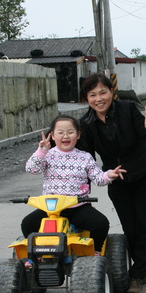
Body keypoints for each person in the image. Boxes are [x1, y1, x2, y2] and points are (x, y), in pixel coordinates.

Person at [78, 73, 146, 293]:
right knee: (130, 228)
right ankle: (142, 269)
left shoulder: (127, 109)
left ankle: (137, 275)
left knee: (145, 224)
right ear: (87, 98)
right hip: (117, 180)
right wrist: (82, 193)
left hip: (144, 173)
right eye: (93, 94)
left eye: (103, 92)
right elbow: (87, 161)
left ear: (111, 92)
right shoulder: (86, 124)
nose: (99, 98)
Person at [21, 114, 126, 268]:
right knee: (28, 223)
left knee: (101, 223)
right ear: (52, 135)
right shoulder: (48, 156)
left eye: (70, 132)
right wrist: (41, 151)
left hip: (77, 207)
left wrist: (109, 175)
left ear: (78, 135)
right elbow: (32, 168)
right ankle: (34, 257)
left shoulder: (85, 157)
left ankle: (95, 253)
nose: (65, 136)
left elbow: (97, 178)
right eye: (60, 132)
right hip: (51, 210)